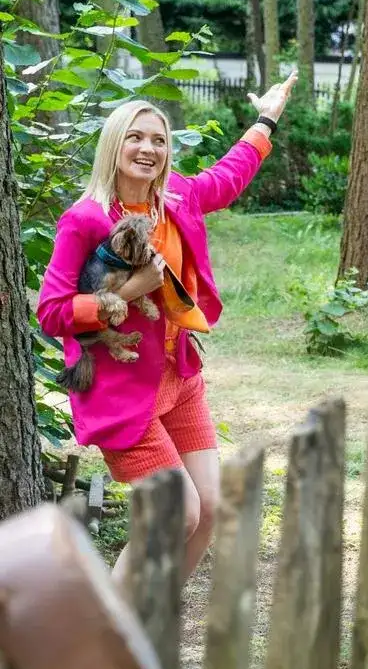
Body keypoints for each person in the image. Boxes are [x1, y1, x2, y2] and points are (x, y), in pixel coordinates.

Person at [38, 73, 298, 585]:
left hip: (180, 377)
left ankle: (150, 629)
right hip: (121, 391)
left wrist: (265, 120)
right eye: (135, 137)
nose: (148, 148)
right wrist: (130, 292)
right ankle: (109, 640)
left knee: (211, 509)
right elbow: (51, 313)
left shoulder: (175, 198)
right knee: (178, 514)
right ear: (114, 145)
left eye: (158, 140)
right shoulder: (85, 218)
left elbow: (227, 177)